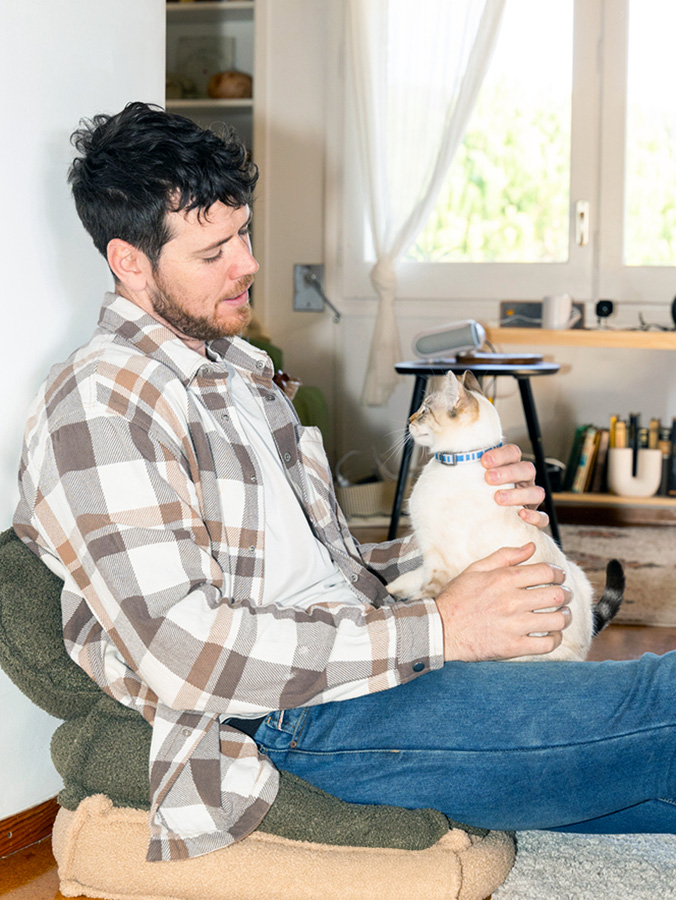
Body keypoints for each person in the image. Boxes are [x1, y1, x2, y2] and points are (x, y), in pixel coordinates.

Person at [14, 102, 676, 863]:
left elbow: (318, 568)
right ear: (129, 261)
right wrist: (444, 627)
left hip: (366, 658)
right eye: (214, 251)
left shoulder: (237, 372)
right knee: (658, 705)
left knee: (646, 758)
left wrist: (468, 526)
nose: (249, 263)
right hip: (289, 720)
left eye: (246, 233)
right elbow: (185, 654)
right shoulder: (101, 406)